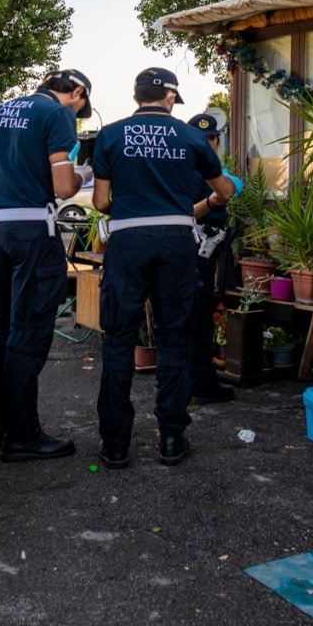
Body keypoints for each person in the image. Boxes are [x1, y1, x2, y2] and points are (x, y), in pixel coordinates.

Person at [91, 67, 233, 469]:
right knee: (175, 337)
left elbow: (101, 202)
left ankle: (116, 444)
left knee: (118, 338)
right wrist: (217, 198)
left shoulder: (111, 135)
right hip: (176, 243)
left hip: (128, 242)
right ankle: (171, 437)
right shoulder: (190, 136)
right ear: (170, 97)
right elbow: (222, 189)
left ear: (137, 95)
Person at [0, 68, 93, 463]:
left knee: (6, 326)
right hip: (32, 228)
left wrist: (12, 176)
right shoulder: (57, 115)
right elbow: (64, 188)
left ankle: (4, 423)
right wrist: (83, 172)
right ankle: (24, 434)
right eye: (82, 106)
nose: (79, 112)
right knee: (30, 327)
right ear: (77, 92)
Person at [186, 112, 240, 404]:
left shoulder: (214, 170)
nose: (207, 143)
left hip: (208, 251)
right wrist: (212, 201)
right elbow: (185, 213)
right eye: (201, 139)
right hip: (194, 251)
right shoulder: (189, 171)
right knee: (196, 317)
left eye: (211, 138)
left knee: (199, 315)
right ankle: (201, 385)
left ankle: (195, 381)